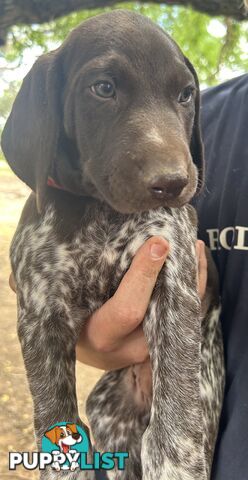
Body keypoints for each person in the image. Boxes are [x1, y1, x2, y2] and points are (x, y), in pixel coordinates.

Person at [9, 73, 248, 478]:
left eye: (183, 95)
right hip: (120, 418)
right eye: (105, 87)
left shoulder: (192, 122)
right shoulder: (210, 112)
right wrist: (85, 334)